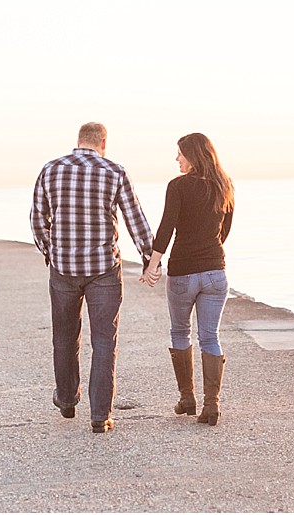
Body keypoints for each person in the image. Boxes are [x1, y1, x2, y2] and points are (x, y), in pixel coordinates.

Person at [31, 122, 159, 434]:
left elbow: (38, 219)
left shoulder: (50, 170)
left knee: (64, 336)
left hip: (63, 269)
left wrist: (51, 252)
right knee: (104, 342)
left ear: (78, 141)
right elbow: (135, 218)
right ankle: (100, 416)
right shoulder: (114, 171)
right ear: (103, 143)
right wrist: (148, 259)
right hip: (103, 268)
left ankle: (66, 399)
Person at [140, 133, 234, 426]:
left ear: (192, 155)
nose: (177, 159)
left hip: (182, 273)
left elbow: (166, 227)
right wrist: (209, 252)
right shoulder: (224, 185)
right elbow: (225, 230)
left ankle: (187, 398)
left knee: (180, 332)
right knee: (210, 337)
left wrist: (152, 266)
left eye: (180, 153)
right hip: (215, 273)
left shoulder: (177, 186)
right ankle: (212, 405)